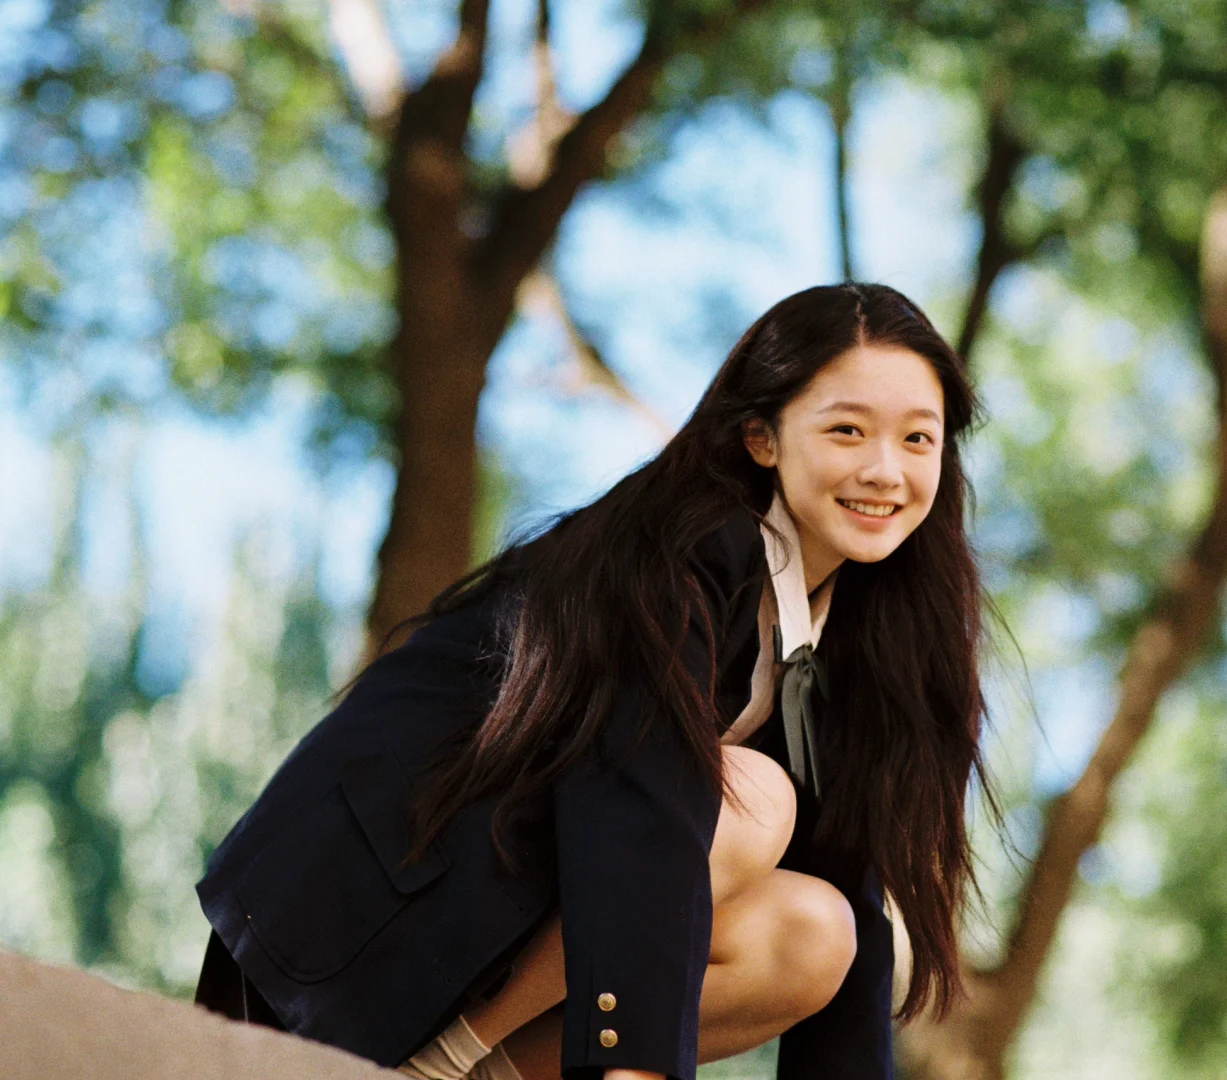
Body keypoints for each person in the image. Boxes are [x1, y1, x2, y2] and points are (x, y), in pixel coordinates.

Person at [193, 282, 990, 1080]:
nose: (886, 471)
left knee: (820, 935)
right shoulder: (683, 545)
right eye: (847, 430)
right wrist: (638, 1070)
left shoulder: (853, 629)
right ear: (762, 439)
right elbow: (637, 798)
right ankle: (433, 1067)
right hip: (350, 923)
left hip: (494, 919)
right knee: (749, 801)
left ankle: (479, 1073)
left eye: (917, 440)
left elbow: (848, 885)